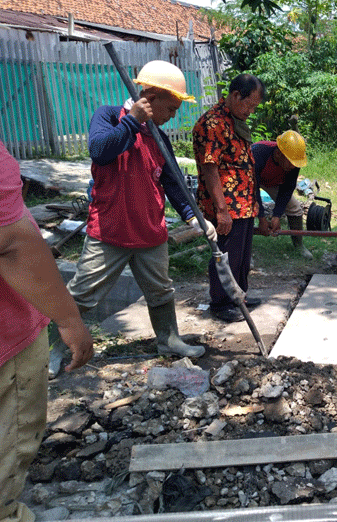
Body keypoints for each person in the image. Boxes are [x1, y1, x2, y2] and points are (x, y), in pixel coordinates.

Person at [54, 60, 211, 377]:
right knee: (83, 294)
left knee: (161, 291)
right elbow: (100, 150)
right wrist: (132, 123)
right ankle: (54, 350)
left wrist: (195, 219)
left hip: (151, 233)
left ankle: (169, 341)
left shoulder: (159, 137)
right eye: (170, 108)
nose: (172, 116)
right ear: (150, 98)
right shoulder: (110, 116)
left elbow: (174, 184)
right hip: (109, 232)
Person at [0, 140, 94, 522]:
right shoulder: (114, 122)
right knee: (10, 447)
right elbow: (12, 244)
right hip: (8, 337)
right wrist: (70, 320)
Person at [193, 74, 266, 323]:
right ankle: (221, 302)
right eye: (249, 104)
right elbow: (210, 168)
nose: (251, 111)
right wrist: (221, 210)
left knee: (241, 256)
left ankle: (239, 297)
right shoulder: (213, 124)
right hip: (226, 205)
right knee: (224, 255)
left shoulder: (233, 121)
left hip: (243, 204)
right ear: (236, 96)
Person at [252, 130, 312, 259]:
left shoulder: (294, 160)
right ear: (279, 154)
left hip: (273, 182)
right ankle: (244, 250)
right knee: (245, 210)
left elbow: (288, 188)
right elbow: (254, 189)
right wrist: (261, 218)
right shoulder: (258, 154)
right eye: (290, 162)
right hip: (250, 181)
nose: (293, 166)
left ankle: (299, 245)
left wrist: (277, 215)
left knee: (295, 208)